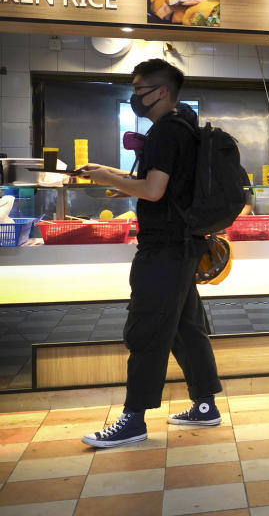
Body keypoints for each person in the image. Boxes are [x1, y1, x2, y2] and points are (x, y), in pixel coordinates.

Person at [79, 59, 222, 448]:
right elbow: (160, 184)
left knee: (146, 330)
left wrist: (109, 179)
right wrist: (111, 173)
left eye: (140, 89)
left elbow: (154, 190)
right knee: (184, 327)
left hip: (163, 250)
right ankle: (205, 406)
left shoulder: (164, 132)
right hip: (185, 245)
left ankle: (134, 419)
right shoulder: (186, 127)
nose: (135, 96)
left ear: (160, 92)